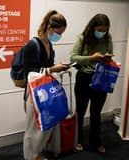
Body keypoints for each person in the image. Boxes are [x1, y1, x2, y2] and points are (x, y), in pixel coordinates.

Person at [23, 10, 69, 160]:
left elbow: (46, 68)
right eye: (58, 32)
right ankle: (30, 157)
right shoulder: (32, 45)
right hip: (34, 94)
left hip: (45, 92)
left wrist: (58, 67)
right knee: (33, 129)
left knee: (45, 126)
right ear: (49, 28)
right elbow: (29, 73)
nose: (59, 36)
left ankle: (37, 154)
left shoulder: (49, 45)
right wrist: (52, 69)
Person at [70, 13, 113, 153]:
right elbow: (73, 57)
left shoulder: (108, 38)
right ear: (92, 27)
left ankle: (96, 142)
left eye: (104, 30)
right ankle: (78, 140)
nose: (101, 32)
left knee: (96, 112)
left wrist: (107, 58)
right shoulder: (82, 38)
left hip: (101, 78)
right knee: (81, 111)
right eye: (99, 30)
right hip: (84, 78)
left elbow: (111, 53)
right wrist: (91, 57)